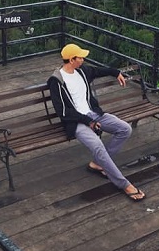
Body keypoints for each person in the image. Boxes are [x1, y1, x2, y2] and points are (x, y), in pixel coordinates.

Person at [47, 43, 146, 201]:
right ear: (71, 60)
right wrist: (87, 121)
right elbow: (63, 112)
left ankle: (98, 164)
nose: (83, 59)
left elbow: (101, 70)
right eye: (80, 57)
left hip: (94, 114)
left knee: (125, 129)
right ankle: (124, 184)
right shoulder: (56, 81)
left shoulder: (82, 71)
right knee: (98, 145)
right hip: (77, 122)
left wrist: (116, 72)